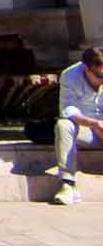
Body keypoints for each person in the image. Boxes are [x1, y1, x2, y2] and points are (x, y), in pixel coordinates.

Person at [44, 45, 103, 205]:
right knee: (63, 125)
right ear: (86, 68)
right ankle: (68, 184)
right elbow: (68, 111)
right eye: (100, 75)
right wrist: (94, 123)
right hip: (88, 130)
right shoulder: (69, 76)